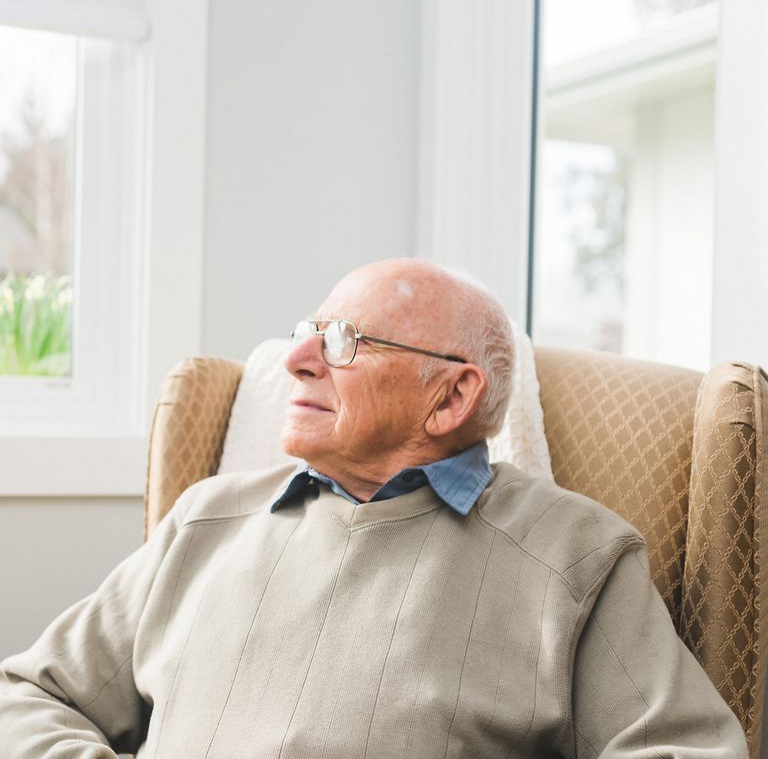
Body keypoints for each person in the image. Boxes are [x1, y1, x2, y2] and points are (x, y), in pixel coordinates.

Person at [0, 259, 748, 757]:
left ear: (451, 397)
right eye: (308, 333)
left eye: (343, 341)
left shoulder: (577, 553)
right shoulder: (206, 518)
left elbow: (686, 751)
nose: (296, 359)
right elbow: (30, 695)